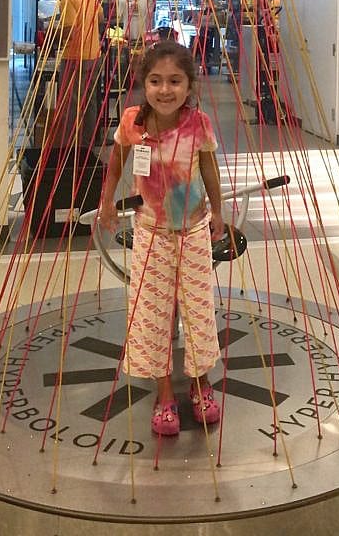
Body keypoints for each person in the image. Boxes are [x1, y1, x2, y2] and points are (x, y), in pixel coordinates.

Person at [99, 40, 224, 437]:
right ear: (143, 83)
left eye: (175, 81)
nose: (165, 90)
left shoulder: (198, 124)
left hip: (193, 231)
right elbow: (117, 160)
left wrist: (218, 211)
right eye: (155, 81)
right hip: (150, 232)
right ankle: (165, 393)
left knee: (198, 310)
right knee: (152, 314)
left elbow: (208, 167)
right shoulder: (132, 122)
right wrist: (107, 202)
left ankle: (201, 385)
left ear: (189, 85)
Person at [45, 0, 104, 149]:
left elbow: (69, 31)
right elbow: (100, 18)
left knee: (70, 103)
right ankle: (89, 143)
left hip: (75, 57)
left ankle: (68, 146)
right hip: (94, 56)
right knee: (90, 101)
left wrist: (51, 34)